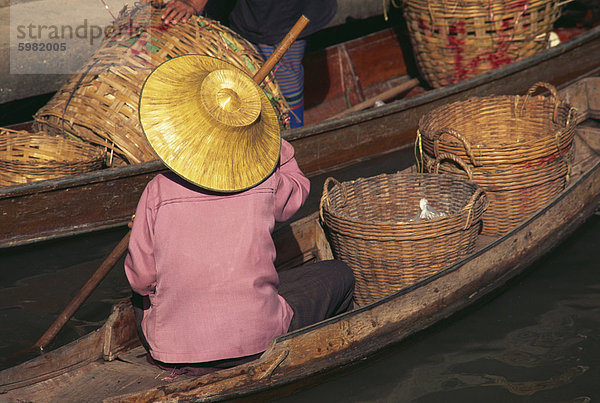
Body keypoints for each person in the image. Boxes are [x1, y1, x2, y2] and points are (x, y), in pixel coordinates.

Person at [125, 55, 354, 375]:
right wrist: (273, 144)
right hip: (257, 339)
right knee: (340, 274)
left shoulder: (158, 189)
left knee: (138, 298)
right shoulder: (265, 181)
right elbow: (298, 190)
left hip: (174, 348)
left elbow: (141, 280)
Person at [159, 0, 338, 128]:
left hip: (278, 13)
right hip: (241, 11)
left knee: (283, 83)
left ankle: (292, 141)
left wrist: (193, 3)